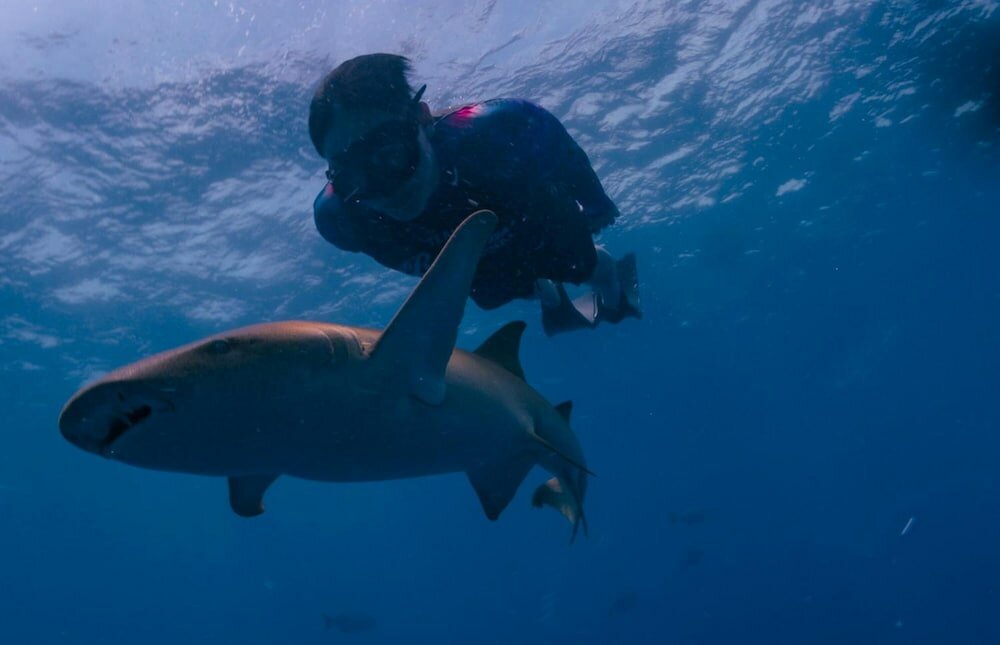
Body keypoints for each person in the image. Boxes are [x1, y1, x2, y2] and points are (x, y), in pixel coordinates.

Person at [309, 53, 640, 335]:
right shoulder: (339, 218)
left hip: (536, 222)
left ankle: (614, 301)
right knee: (510, 289)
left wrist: (596, 204)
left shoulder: (494, 129)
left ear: (422, 119)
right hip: (478, 265)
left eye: (390, 154)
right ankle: (552, 299)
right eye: (351, 173)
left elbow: (550, 135)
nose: (386, 188)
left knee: (587, 265)